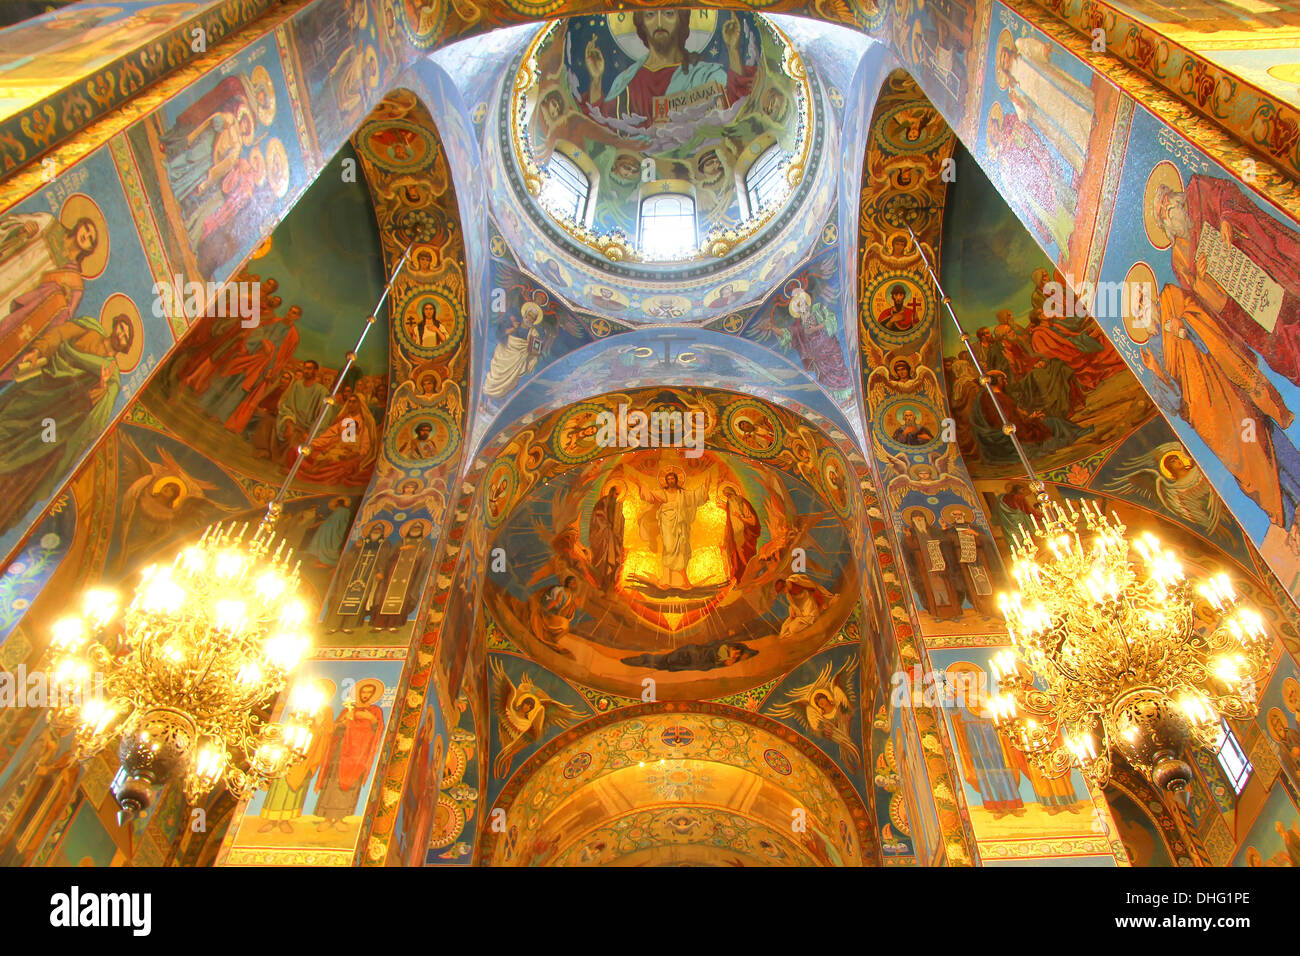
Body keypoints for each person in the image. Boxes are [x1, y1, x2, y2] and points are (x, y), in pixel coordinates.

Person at [1141, 283, 1300, 534]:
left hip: (1228, 398)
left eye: (1143, 305)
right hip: (1211, 422)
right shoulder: (1152, 353)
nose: (1143, 314)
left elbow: (1209, 337)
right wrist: (1157, 372)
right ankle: (1290, 518)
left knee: (1262, 436)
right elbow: (1173, 403)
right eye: (1137, 311)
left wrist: (1182, 332)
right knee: (1249, 470)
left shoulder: (1176, 308)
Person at [0, 312, 132, 535]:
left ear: (126, 346)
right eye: (122, 328)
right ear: (116, 323)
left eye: (126, 336)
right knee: (8, 419)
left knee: (31, 461)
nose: (121, 334)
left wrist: (100, 387)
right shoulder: (90, 328)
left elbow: (96, 417)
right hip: (41, 390)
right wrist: (39, 350)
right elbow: (60, 333)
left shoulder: (113, 377)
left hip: (59, 423)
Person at [582, 10, 754, 127]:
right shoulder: (626, 81)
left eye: (669, 14)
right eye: (650, 14)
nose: (659, 22)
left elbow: (735, 107)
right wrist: (596, 80)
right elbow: (603, 126)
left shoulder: (704, 74)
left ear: (682, 20)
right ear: (641, 24)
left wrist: (733, 51)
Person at [313, 679, 386, 831]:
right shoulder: (348, 709)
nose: (366, 695)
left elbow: (378, 729)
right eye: (364, 692)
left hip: (359, 754)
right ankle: (327, 818)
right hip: (341, 751)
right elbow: (335, 728)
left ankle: (340, 819)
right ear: (359, 693)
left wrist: (371, 720)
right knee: (333, 782)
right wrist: (345, 722)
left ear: (373, 695)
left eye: (369, 693)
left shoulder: (375, 711)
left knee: (352, 785)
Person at [644, 468, 712, 589]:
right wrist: (639, 484)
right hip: (667, 523)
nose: (670, 481)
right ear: (665, 481)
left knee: (682, 549)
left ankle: (684, 580)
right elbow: (649, 495)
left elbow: (696, 496)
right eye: (668, 479)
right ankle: (666, 580)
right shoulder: (662, 493)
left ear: (676, 480)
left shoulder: (683, 494)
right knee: (669, 549)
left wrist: (706, 485)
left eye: (672, 478)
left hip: (680, 525)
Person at [368, 522, 433, 631]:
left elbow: (426, 558)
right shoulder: (401, 541)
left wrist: (419, 554)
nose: (416, 529)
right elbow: (390, 557)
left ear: (422, 530)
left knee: (403, 599)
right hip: (393, 574)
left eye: (418, 528)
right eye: (414, 527)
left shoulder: (425, 542)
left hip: (410, 575)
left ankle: (394, 624)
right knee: (385, 597)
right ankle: (379, 623)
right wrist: (400, 550)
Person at [482, 301, 545, 399]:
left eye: (532, 318)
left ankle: (499, 398)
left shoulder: (534, 334)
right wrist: (512, 329)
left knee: (511, 382)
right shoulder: (513, 324)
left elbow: (536, 350)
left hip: (517, 361)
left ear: (535, 320)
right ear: (525, 315)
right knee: (495, 375)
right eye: (529, 316)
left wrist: (534, 358)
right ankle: (487, 394)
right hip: (503, 355)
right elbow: (500, 334)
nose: (529, 319)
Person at [621, 639, 756, 672]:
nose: (736, 655)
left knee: (660, 665)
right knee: (660, 661)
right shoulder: (724, 649)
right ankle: (633, 661)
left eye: (739, 656)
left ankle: (636, 661)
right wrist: (727, 659)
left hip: (689, 660)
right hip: (688, 655)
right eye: (737, 652)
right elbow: (714, 655)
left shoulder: (727, 655)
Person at [588, 485, 625, 591]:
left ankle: (609, 584)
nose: (616, 497)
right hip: (603, 537)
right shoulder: (602, 502)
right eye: (616, 494)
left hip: (613, 537)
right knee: (604, 560)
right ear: (611, 492)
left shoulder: (617, 505)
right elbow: (597, 516)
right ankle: (600, 583)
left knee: (614, 559)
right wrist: (606, 526)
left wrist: (619, 522)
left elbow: (620, 520)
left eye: (618, 495)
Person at [721, 487, 760, 585]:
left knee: (746, 555)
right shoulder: (729, 504)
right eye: (726, 496)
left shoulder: (742, 502)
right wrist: (726, 537)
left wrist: (740, 517)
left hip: (746, 535)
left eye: (729, 495)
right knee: (735, 558)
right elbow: (728, 522)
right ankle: (739, 580)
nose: (728, 498)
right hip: (734, 537)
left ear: (734, 493)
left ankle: (750, 577)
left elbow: (753, 521)